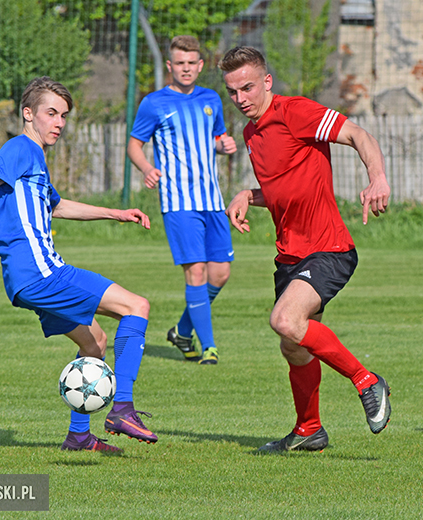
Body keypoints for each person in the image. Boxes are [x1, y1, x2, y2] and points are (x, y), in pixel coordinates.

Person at [0, 77, 159, 453]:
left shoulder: (35, 159)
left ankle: (79, 436)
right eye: (51, 113)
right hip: (43, 274)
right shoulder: (20, 147)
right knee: (136, 306)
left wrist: (115, 212)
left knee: (95, 343)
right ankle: (121, 408)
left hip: (27, 280)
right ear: (28, 114)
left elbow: (57, 206)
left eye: (63, 115)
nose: (58, 122)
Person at [219, 46, 392, 452]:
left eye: (247, 87)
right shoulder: (251, 133)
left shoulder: (295, 111)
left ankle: (367, 381)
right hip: (290, 255)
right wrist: (249, 194)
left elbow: (358, 134)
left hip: (329, 248)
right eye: (232, 92)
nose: (241, 98)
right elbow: (285, 189)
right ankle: (309, 429)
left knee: (284, 319)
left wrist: (378, 177)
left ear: (266, 82)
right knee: (293, 345)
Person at [128, 35, 237, 366]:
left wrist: (223, 145)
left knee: (220, 274)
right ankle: (210, 347)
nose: (186, 69)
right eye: (180, 63)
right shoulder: (154, 103)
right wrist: (147, 168)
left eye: (192, 63)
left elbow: (215, 137)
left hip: (213, 199)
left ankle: (181, 332)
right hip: (179, 202)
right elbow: (134, 144)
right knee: (197, 271)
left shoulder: (212, 99)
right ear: (170, 66)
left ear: (200, 66)